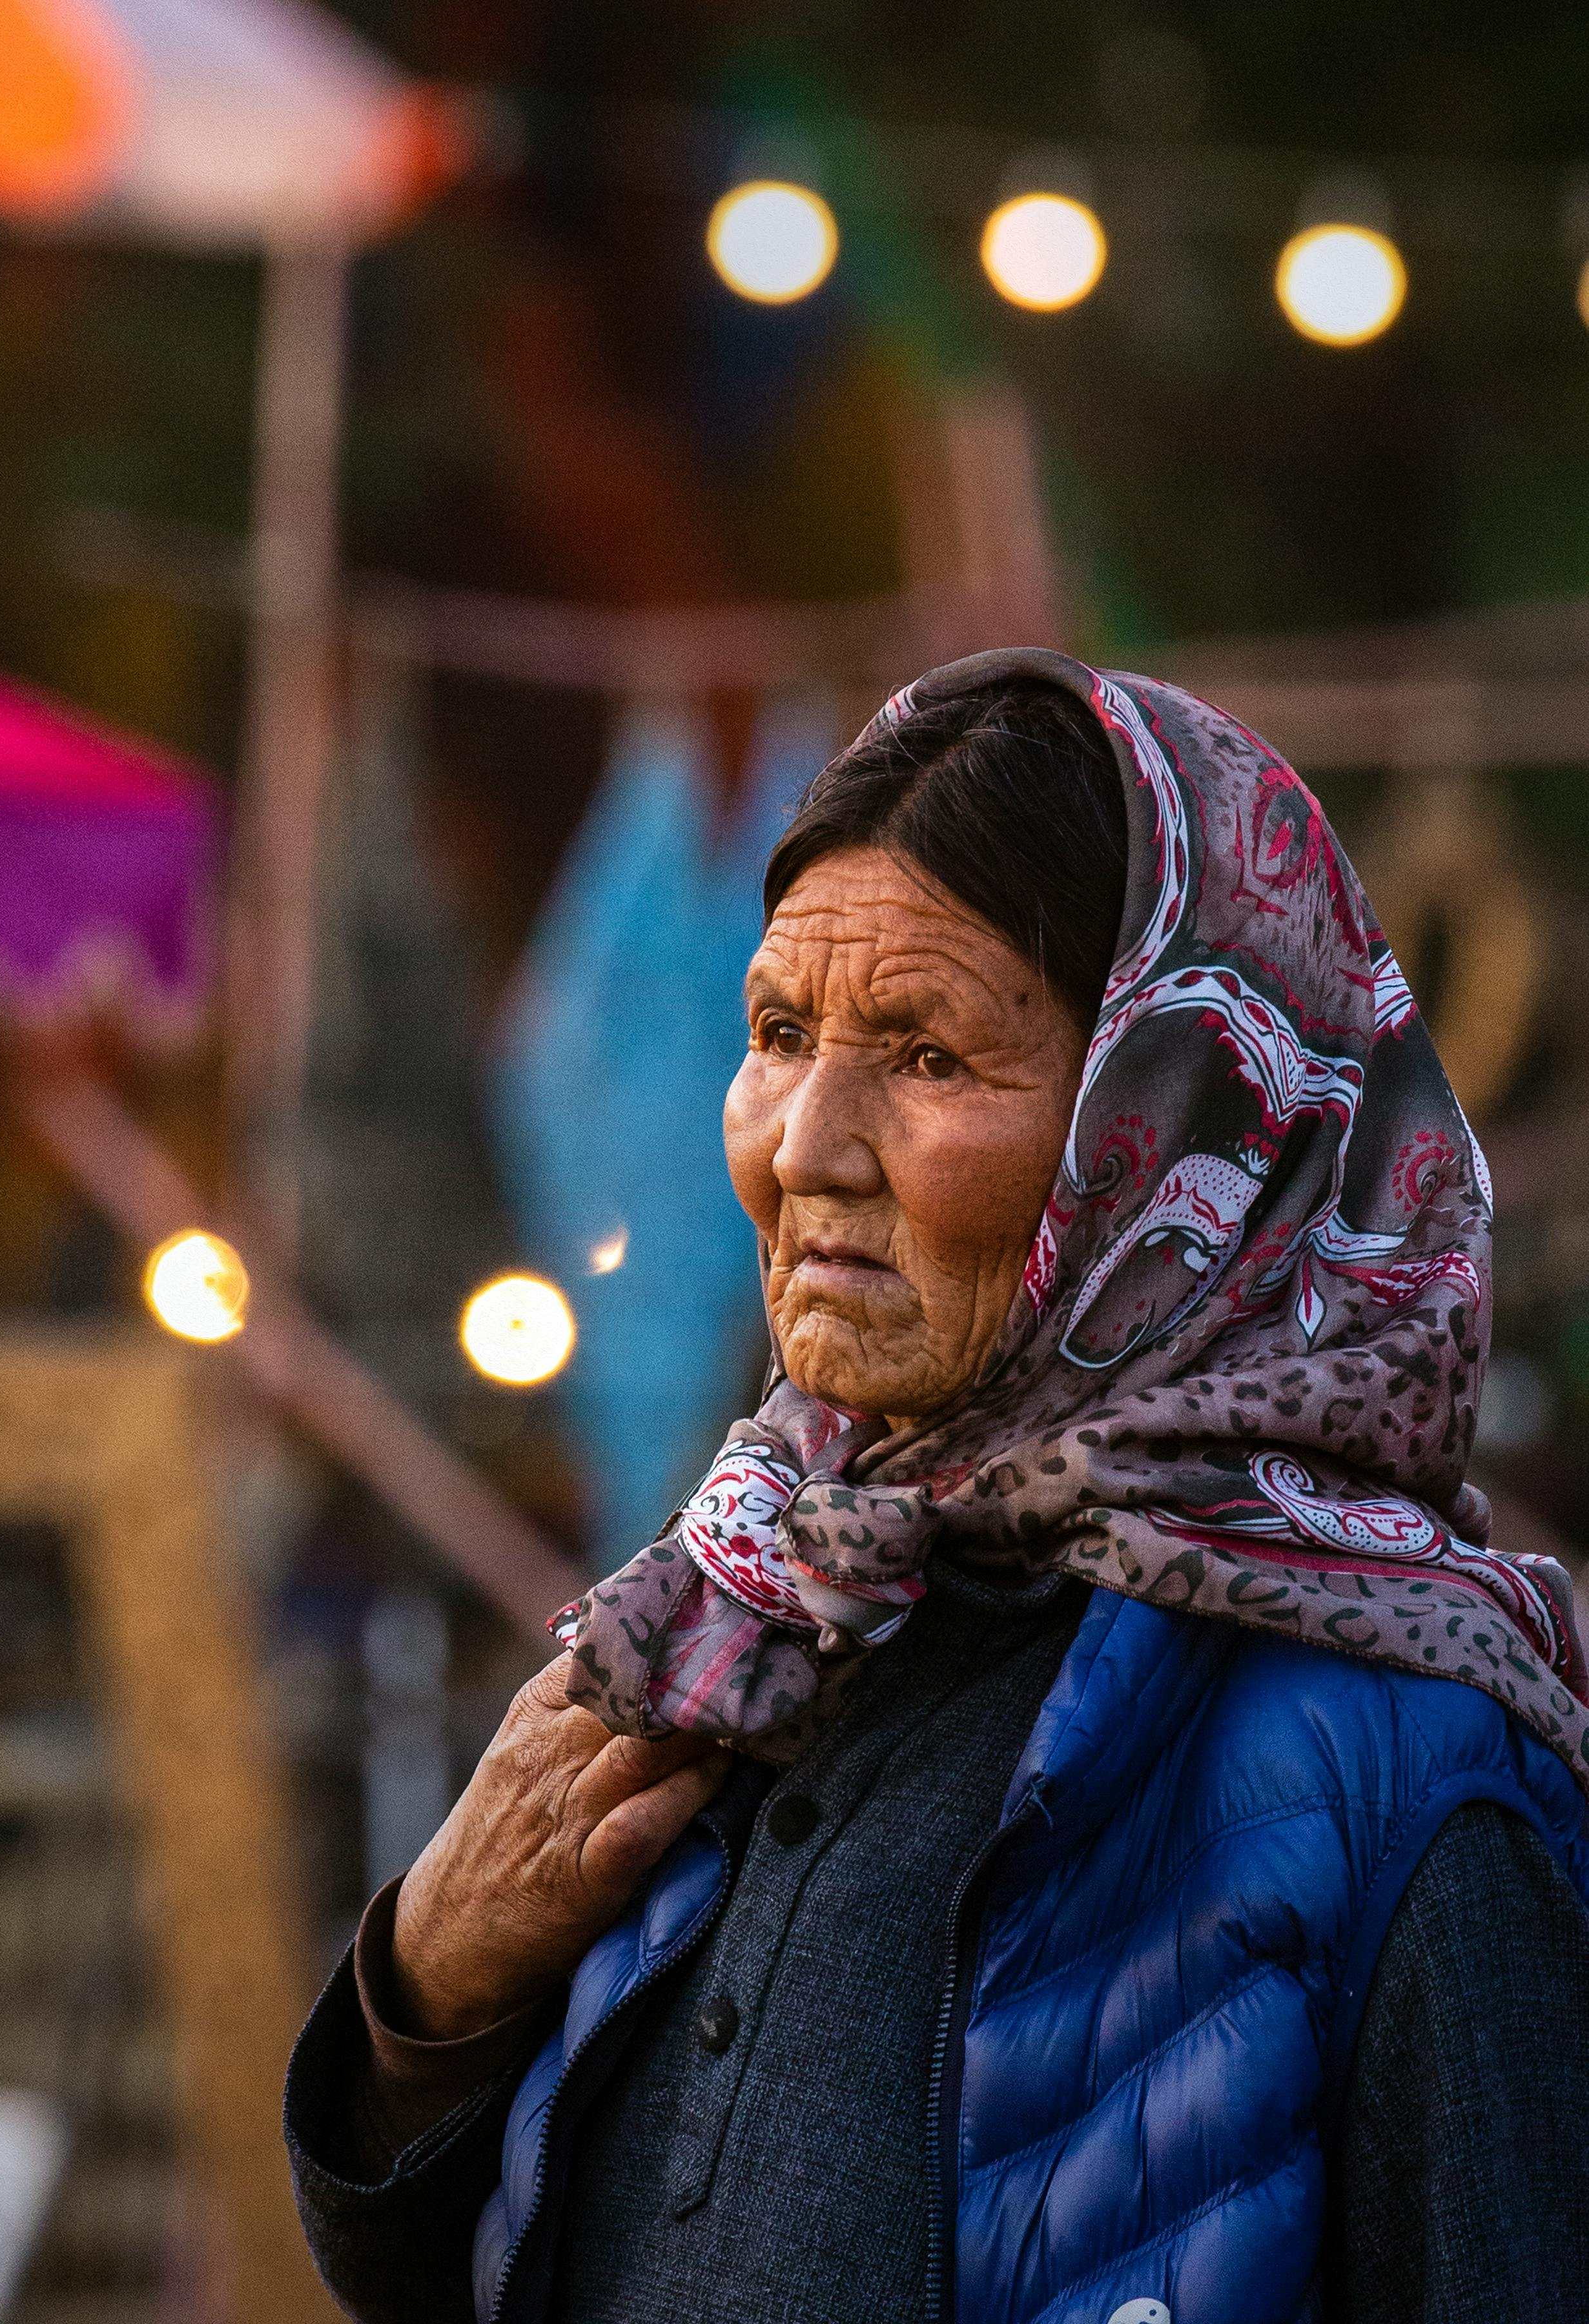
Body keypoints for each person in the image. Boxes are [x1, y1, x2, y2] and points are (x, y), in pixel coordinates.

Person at [285, 649, 1589, 2324]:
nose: (805, 1146)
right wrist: (423, 2009)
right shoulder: (732, 1631)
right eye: (775, 1034)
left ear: (1173, 1120)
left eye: (924, 1055)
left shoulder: (1397, 1772)